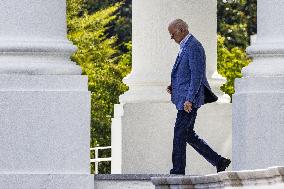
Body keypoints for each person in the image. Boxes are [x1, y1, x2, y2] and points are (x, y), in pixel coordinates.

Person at [167, 19, 231, 175]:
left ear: (181, 29)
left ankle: (178, 170)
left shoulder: (194, 47)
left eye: (172, 33)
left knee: (179, 134)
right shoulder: (186, 46)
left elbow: (196, 77)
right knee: (188, 134)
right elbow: (187, 74)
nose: (171, 37)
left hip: (189, 101)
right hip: (184, 99)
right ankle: (219, 161)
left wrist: (189, 99)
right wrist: (174, 87)